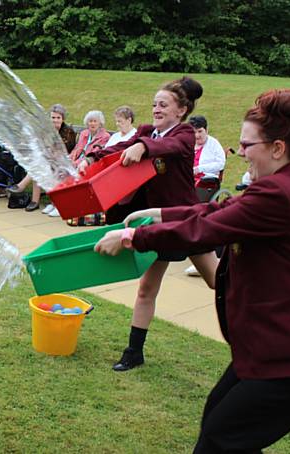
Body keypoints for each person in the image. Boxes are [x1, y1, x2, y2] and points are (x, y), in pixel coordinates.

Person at [94, 89, 290, 452]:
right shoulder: (289, 185)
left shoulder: (279, 195)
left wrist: (133, 236)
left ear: (277, 148)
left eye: (247, 144)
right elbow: (216, 212)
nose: (240, 152)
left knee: (220, 438)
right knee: (220, 422)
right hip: (270, 350)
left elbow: (206, 230)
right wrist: (159, 214)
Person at [78, 77, 219, 371]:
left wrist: (143, 147)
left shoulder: (184, 134)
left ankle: (259, 333)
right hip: (156, 221)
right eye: (154, 104)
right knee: (146, 289)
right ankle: (134, 352)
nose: (156, 109)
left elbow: (167, 146)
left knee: (219, 284)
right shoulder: (146, 132)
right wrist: (91, 155)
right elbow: (121, 148)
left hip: (185, 219)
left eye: (163, 104)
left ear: (181, 110)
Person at [6, 104, 76, 213]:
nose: (55, 120)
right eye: (53, 117)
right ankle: (33, 199)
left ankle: (26, 191)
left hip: (64, 162)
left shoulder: (68, 131)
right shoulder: (45, 130)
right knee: (40, 165)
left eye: (58, 118)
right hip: (48, 160)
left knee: (40, 165)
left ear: (63, 119)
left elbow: (64, 150)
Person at [185, 115, 226, 277]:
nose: (197, 136)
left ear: (206, 130)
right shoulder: (188, 144)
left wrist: (198, 168)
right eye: (194, 132)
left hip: (205, 183)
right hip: (187, 182)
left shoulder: (213, 144)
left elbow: (220, 163)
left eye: (200, 132)